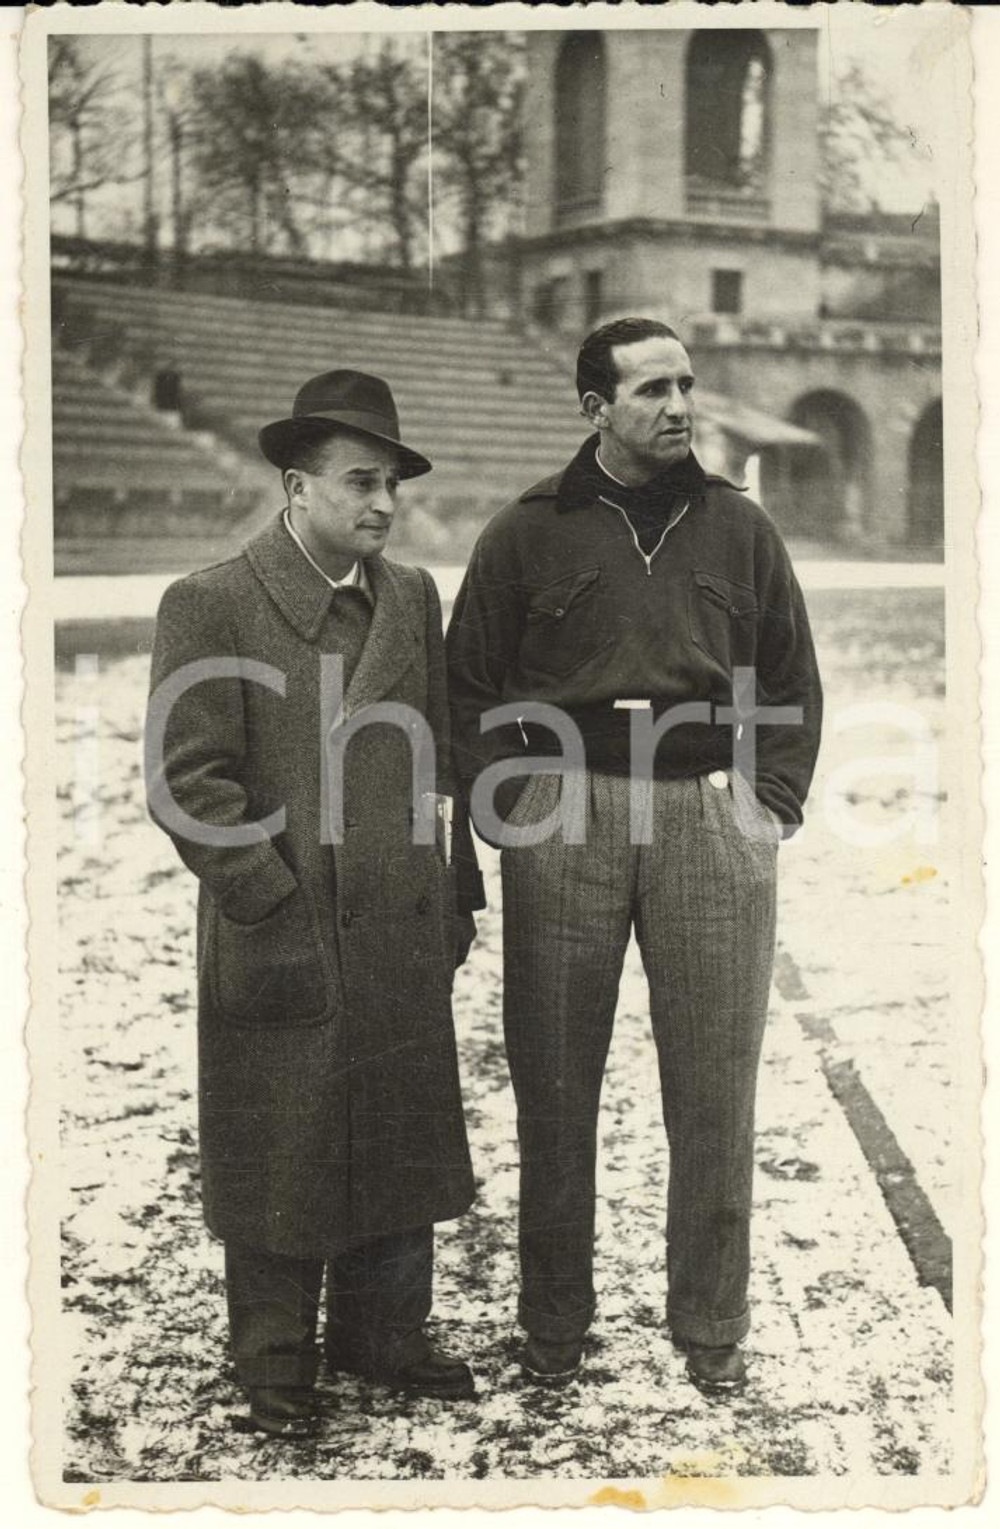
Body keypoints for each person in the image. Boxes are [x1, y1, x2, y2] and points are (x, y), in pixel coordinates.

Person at [446, 317, 823, 1395]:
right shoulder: (525, 531)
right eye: (651, 387)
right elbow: (467, 684)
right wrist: (509, 797)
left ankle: (711, 1323)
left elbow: (791, 678)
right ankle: (553, 1322)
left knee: (715, 1086)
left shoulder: (739, 530)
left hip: (709, 814)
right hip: (564, 815)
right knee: (555, 1084)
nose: (677, 405)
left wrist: (769, 804)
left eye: (686, 385)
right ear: (592, 407)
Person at [145, 370, 483, 1437]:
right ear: (297, 485)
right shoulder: (211, 600)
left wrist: (455, 888)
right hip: (281, 923)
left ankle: (383, 1334)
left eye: (391, 484)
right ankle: (276, 1355)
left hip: (397, 921)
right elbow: (186, 779)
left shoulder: (412, 595)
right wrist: (270, 897)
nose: (383, 504)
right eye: (361, 482)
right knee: (283, 1139)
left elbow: (436, 759)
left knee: (397, 1124)